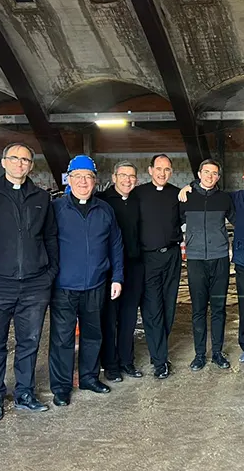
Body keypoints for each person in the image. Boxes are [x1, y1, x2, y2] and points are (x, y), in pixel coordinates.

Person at [0, 142, 58, 421]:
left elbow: (50, 237)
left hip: (35, 284)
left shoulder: (41, 197)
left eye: (25, 160)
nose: (20, 164)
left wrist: (50, 273)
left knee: (30, 341)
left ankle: (25, 393)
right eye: (14, 158)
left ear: (31, 166)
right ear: (3, 162)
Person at [180, 163, 244, 364]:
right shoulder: (233, 198)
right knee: (243, 306)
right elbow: (200, 192)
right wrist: (188, 186)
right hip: (241, 263)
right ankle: (242, 346)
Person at [48, 156, 124, 407]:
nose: (83, 182)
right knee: (62, 338)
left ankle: (90, 377)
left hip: (96, 284)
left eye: (88, 177)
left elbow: (115, 245)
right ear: (68, 179)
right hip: (64, 286)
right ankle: (61, 387)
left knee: (93, 335)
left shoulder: (105, 210)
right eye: (78, 176)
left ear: (95, 181)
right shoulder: (57, 209)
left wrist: (117, 277)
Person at [182, 159, 234, 371]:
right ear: (199, 173)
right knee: (198, 309)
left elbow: (240, 221)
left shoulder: (224, 199)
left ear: (218, 177)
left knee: (219, 309)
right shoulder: (186, 197)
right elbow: (170, 223)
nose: (210, 176)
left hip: (220, 258)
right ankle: (200, 354)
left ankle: (218, 353)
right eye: (206, 172)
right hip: (195, 260)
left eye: (214, 173)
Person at [132, 154, 181, 379]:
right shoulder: (138, 194)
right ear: (150, 170)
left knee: (169, 307)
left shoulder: (177, 194)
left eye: (167, 170)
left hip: (172, 256)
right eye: (159, 169)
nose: (162, 173)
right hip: (148, 259)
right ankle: (160, 360)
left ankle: (158, 350)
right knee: (153, 309)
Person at [98, 161, 143, 381]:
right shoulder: (102, 201)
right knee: (109, 317)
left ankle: (127, 361)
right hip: (109, 269)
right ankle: (110, 364)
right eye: (123, 175)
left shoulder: (138, 200)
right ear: (114, 177)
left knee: (128, 318)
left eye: (132, 176)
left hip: (134, 267)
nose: (127, 180)